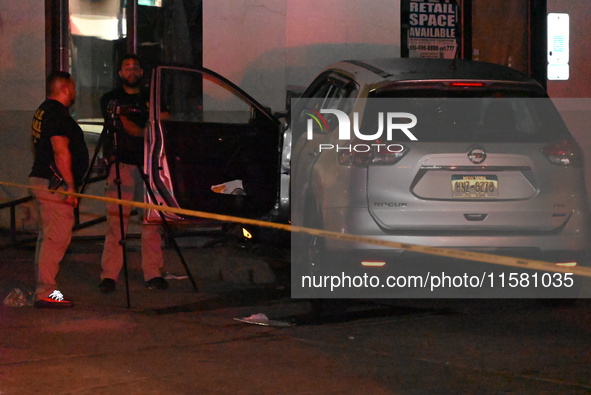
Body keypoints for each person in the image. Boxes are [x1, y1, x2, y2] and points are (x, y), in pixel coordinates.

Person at [98, 54, 168, 293]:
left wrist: (147, 123)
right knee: (117, 223)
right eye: (127, 67)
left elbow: (166, 119)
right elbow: (126, 126)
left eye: (135, 67)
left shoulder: (152, 96)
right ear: (120, 73)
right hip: (122, 166)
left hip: (149, 166)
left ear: (141, 72)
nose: (131, 70)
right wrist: (147, 126)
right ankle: (109, 275)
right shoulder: (111, 99)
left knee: (151, 222)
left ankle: (153, 274)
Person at [29, 71, 89, 308]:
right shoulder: (57, 113)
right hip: (55, 185)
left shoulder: (44, 110)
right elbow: (60, 150)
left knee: (48, 237)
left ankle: (43, 287)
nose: (74, 92)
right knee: (57, 237)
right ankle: (46, 291)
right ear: (65, 89)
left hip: (44, 181)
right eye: (73, 88)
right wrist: (71, 187)